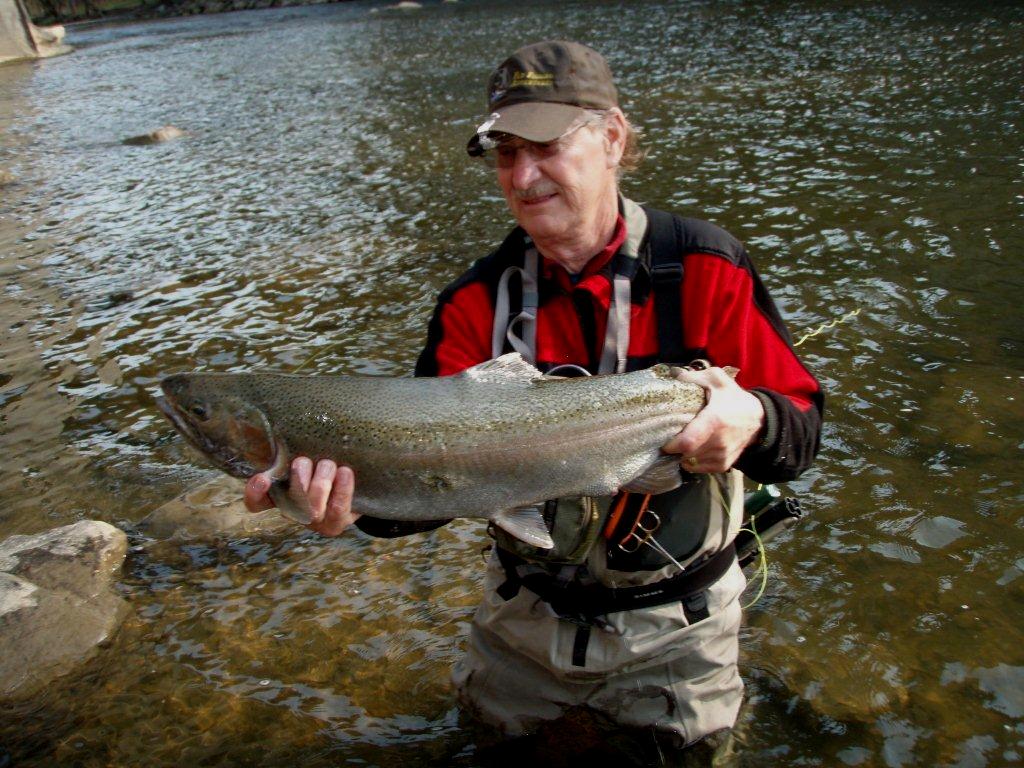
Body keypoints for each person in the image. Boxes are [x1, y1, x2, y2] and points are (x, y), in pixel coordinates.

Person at [244, 41, 823, 757]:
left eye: (545, 145)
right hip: (521, 625)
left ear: (613, 137)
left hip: (681, 629)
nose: (522, 175)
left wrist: (753, 419)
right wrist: (350, 505)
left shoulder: (704, 266)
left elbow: (802, 433)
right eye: (505, 152)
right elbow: (430, 492)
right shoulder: (471, 303)